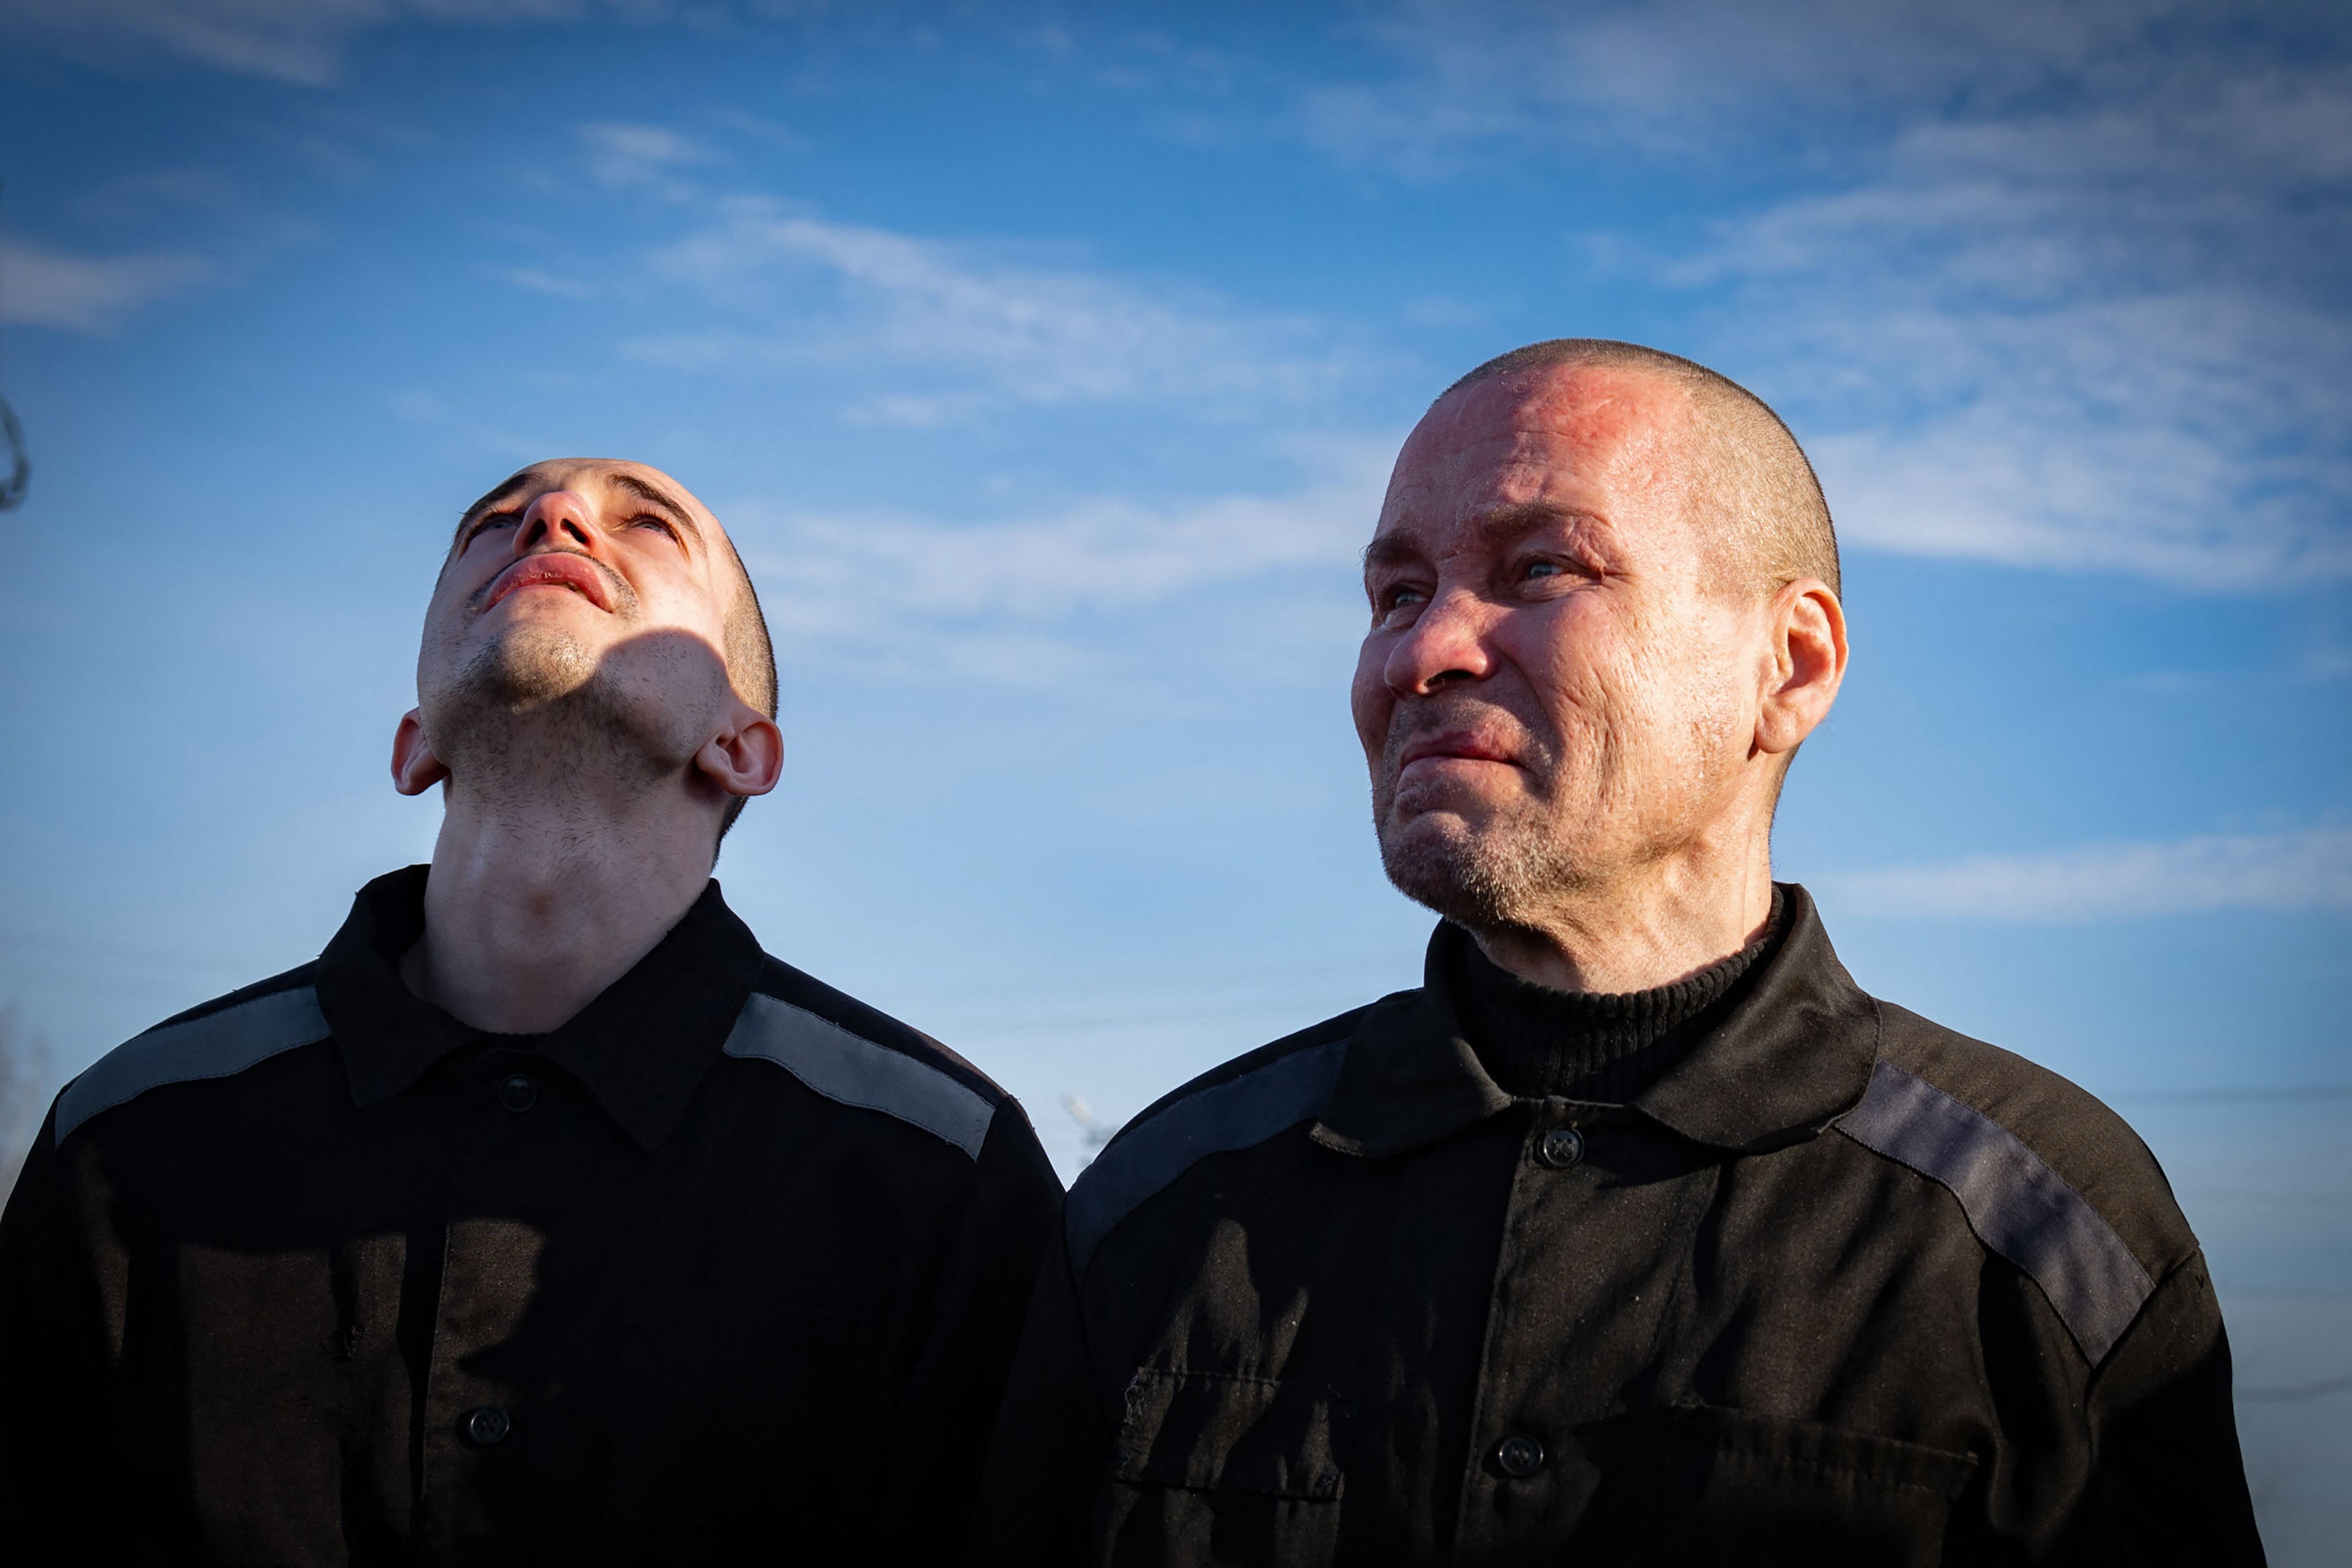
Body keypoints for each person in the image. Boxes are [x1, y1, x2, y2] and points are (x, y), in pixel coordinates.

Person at [975, 343, 2266, 1566]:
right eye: (1394, 593)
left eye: (1541, 569)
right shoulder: (1167, 1202)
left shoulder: (2041, 1241)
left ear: (1789, 663)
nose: (1420, 651)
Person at [0, 459, 1061, 1563]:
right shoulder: (125, 1143)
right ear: (416, 743)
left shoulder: (941, 1176)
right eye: (493, 525)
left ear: (741, 748)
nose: (549, 521)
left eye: (647, 524)